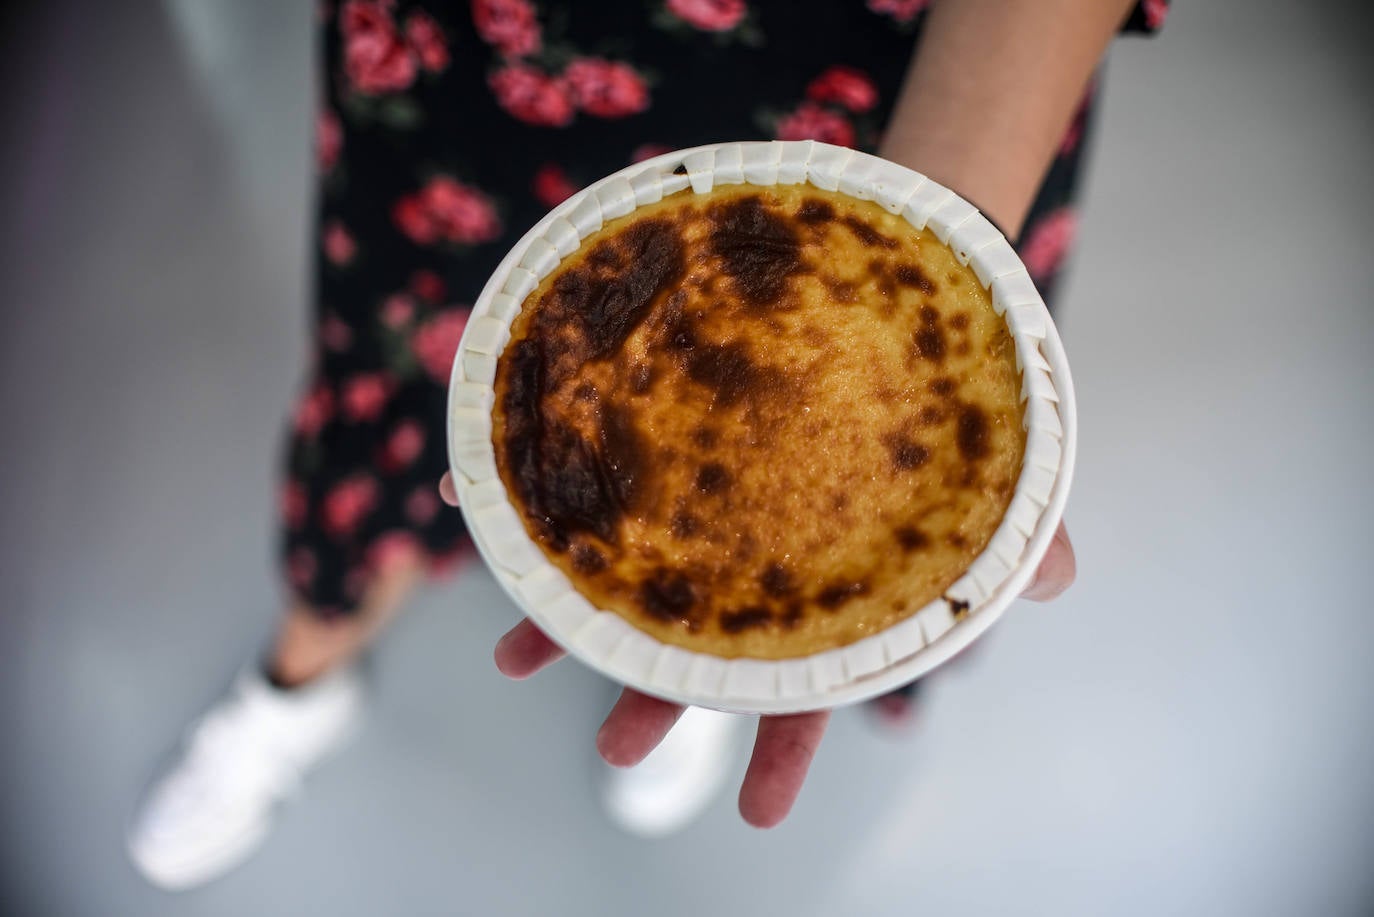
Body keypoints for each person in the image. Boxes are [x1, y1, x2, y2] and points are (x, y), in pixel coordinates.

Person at [128, 0, 1166, 890]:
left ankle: (729, 653)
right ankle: (304, 668)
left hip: (880, 106)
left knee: (813, 512)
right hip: (473, 70)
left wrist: (937, 218)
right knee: (395, 394)